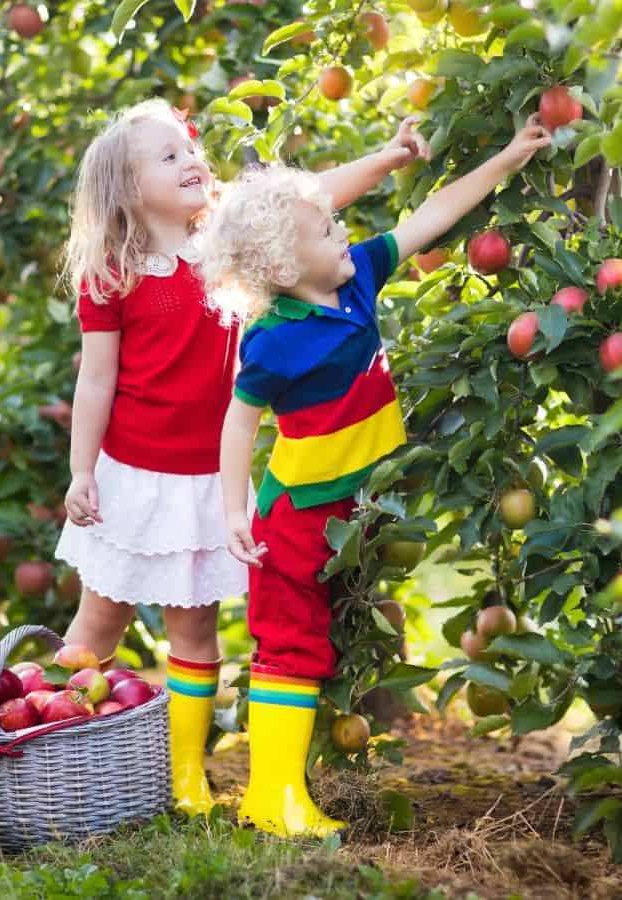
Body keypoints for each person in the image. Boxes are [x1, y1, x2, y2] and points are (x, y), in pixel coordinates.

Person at [53, 97, 430, 816]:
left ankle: (183, 776)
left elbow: (310, 201)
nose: (192, 161)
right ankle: (50, 740)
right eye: (168, 157)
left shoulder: (223, 236)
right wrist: (81, 471)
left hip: (206, 478)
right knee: (100, 618)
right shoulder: (113, 271)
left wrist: (386, 157)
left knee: (194, 632)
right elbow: (95, 376)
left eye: (189, 148)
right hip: (132, 475)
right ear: (128, 189)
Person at [200, 114, 552, 837]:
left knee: (322, 641)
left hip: (357, 510)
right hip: (296, 514)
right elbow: (240, 424)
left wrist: (509, 155)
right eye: (325, 229)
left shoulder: (359, 279)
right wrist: (233, 512)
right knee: (289, 646)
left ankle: (284, 788)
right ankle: (272, 796)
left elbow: (435, 212)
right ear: (279, 268)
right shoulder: (271, 343)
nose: (342, 233)